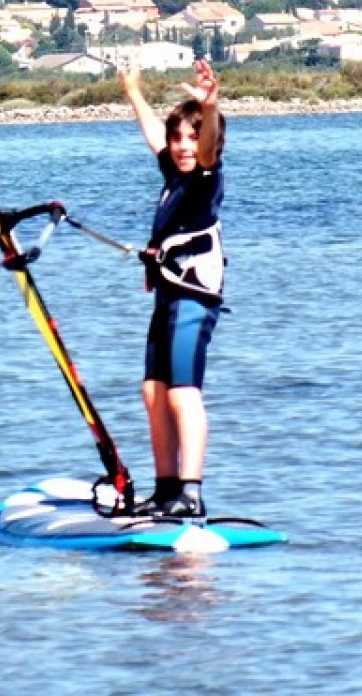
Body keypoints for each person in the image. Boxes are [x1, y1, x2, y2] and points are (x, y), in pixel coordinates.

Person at [118, 57, 227, 519]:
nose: (183, 147)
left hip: (193, 298)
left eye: (192, 138)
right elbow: (151, 136)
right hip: (167, 296)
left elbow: (205, 147)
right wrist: (132, 92)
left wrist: (212, 104)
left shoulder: (205, 176)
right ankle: (165, 490)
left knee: (184, 393)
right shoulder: (174, 176)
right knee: (153, 392)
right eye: (176, 138)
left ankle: (191, 491)